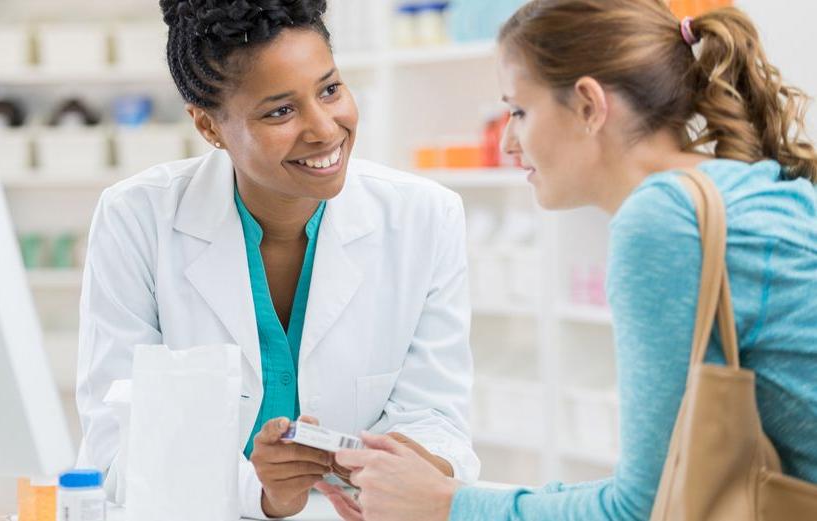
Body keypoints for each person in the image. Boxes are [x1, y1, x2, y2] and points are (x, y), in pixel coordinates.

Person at [316, 1, 817, 520]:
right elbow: (670, 479)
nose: (508, 142)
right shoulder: (742, 185)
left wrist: (448, 508)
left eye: (518, 111)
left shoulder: (662, 218)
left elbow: (640, 510)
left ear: (588, 105)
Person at [75, 0, 481, 518]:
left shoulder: (426, 216)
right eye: (280, 111)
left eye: (329, 89)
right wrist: (262, 493)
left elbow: (438, 417)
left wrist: (402, 466)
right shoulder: (136, 219)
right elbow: (118, 438)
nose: (324, 129)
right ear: (209, 127)